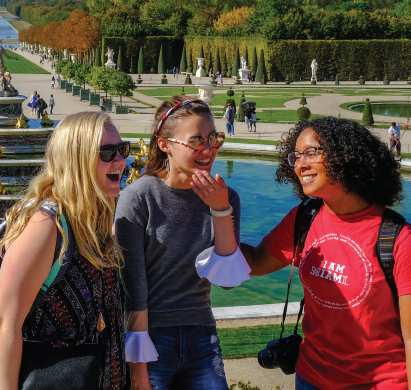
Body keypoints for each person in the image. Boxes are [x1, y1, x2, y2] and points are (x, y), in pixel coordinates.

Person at [241, 117, 411, 389]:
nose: (300, 164)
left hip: (381, 383)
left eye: (311, 153)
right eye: (296, 156)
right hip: (311, 378)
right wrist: (214, 217)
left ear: (346, 157)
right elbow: (254, 264)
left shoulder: (399, 239)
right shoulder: (304, 218)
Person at [115, 96, 248, 390]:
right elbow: (133, 289)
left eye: (213, 138)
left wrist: (220, 210)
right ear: (165, 145)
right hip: (150, 334)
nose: (208, 149)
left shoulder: (226, 198)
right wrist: (137, 371)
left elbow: (227, 281)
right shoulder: (139, 198)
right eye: (196, 140)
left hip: (202, 331)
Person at [0, 112, 128, 390]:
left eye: (122, 149)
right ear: (77, 159)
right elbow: (5, 322)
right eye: (107, 152)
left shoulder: (99, 216)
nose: (121, 160)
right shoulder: (46, 225)